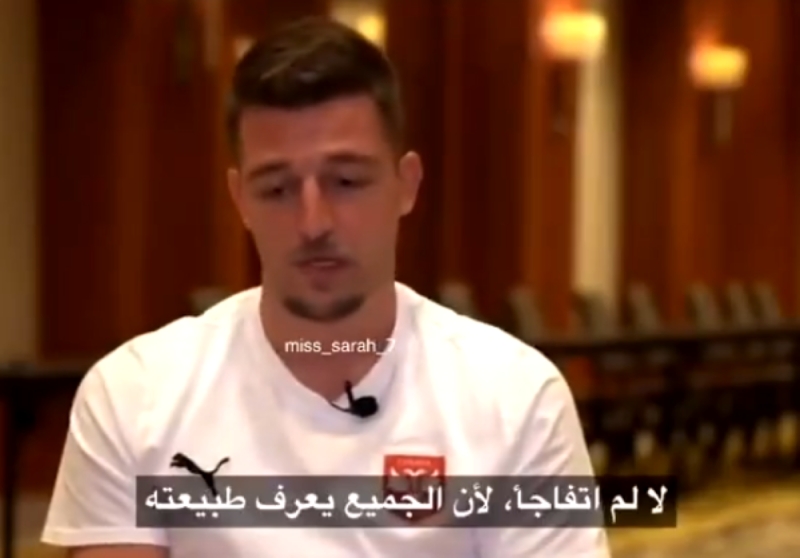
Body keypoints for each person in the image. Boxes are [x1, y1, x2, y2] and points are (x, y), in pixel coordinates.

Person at [41, 16, 609, 558]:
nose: (314, 223)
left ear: (406, 184)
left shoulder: (516, 398)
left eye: (346, 181)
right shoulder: (133, 395)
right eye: (277, 189)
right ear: (240, 200)